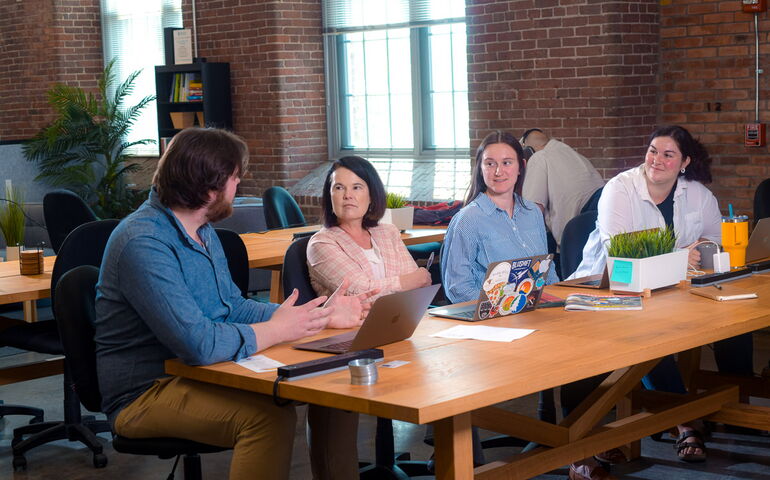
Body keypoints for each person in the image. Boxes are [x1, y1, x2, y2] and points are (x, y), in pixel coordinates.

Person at [94, 128, 375, 480]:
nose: (237, 186)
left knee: (332, 389)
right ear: (209, 186)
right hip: (147, 391)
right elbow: (198, 344)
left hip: (203, 371)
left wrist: (315, 317)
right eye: (234, 178)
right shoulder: (143, 243)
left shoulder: (201, 227)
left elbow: (233, 307)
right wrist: (275, 329)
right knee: (266, 419)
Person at [569, 125, 754, 469]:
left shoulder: (697, 194)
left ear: (684, 161)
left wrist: (698, 253)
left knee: (735, 320)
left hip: (673, 287)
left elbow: (715, 242)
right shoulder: (620, 188)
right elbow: (619, 251)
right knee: (650, 335)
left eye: (668, 154)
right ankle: (685, 420)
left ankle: (735, 407)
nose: (656, 160)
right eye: (653, 150)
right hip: (611, 285)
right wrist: (681, 254)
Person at [442, 130, 559, 304]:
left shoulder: (533, 212)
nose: (498, 171)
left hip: (537, 313)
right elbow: (458, 289)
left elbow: (546, 273)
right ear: (480, 168)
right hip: (491, 322)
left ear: (521, 166)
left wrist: (560, 300)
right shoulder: (468, 219)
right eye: (490, 164)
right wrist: (505, 306)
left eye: (507, 163)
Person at [307, 155, 431, 300]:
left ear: (371, 195)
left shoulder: (388, 232)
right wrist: (410, 280)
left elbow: (417, 290)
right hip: (355, 323)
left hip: (400, 319)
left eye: (356, 187)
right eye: (339, 187)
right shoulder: (321, 243)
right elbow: (359, 292)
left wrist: (413, 281)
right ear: (330, 196)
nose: (348, 195)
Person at [521, 128, 605, 247]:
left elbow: (533, 209)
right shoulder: (570, 152)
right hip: (602, 210)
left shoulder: (539, 157)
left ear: (528, 150)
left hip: (582, 222)